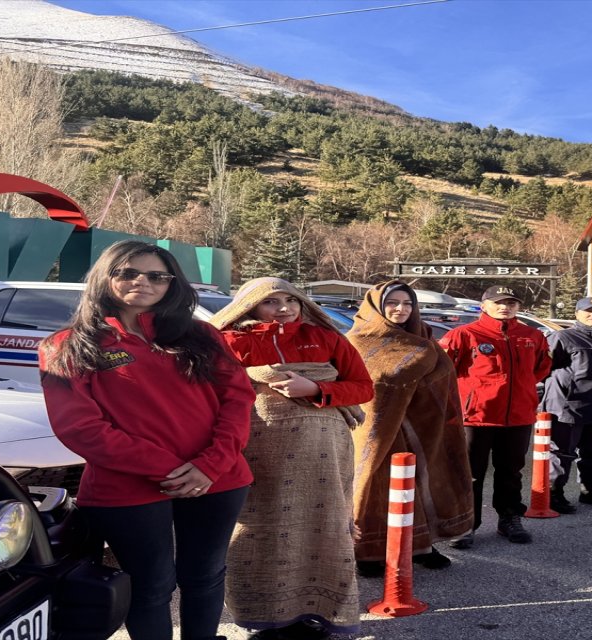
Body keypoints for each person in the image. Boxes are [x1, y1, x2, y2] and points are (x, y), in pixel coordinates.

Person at [39, 240, 256, 640]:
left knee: (205, 576)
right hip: (127, 486)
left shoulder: (201, 335)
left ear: (172, 284)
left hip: (216, 477)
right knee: (151, 586)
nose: (143, 282)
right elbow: (80, 427)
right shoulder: (68, 345)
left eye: (157, 276)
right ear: (105, 277)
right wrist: (170, 469)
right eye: (128, 273)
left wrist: (209, 465)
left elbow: (238, 399)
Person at [211, 277, 375, 637]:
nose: (284, 308)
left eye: (291, 300)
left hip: (324, 457)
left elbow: (363, 387)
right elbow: (207, 392)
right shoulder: (227, 342)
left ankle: (318, 611)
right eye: (271, 301)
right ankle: (264, 617)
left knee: (325, 528)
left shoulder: (327, 338)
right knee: (258, 531)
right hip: (257, 455)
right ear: (249, 306)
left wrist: (315, 387)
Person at [345, 281, 474, 577]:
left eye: (407, 303)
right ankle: (368, 550)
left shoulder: (423, 338)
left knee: (423, 483)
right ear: (376, 306)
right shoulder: (356, 341)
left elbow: (442, 380)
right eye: (392, 303)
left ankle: (420, 545)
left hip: (423, 425)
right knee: (374, 486)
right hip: (374, 428)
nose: (401, 309)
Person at [440, 285, 551, 546]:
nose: (505, 307)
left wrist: (520, 389)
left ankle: (509, 518)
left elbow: (541, 368)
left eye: (511, 303)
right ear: (484, 305)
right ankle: (466, 524)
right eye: (498, 302)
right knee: (470, 473)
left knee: (511, 471)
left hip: (518, 416)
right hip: (476, 417)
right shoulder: (464, 334)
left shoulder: (532, 336)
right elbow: (444, 371)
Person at [541, 296, 592, 511]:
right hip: (569, 407)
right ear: (577, 314)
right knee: (561, 453)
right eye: (588, 311)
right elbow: (543, 369)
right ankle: (554, 493)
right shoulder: (562, 337)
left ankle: (591, 490)